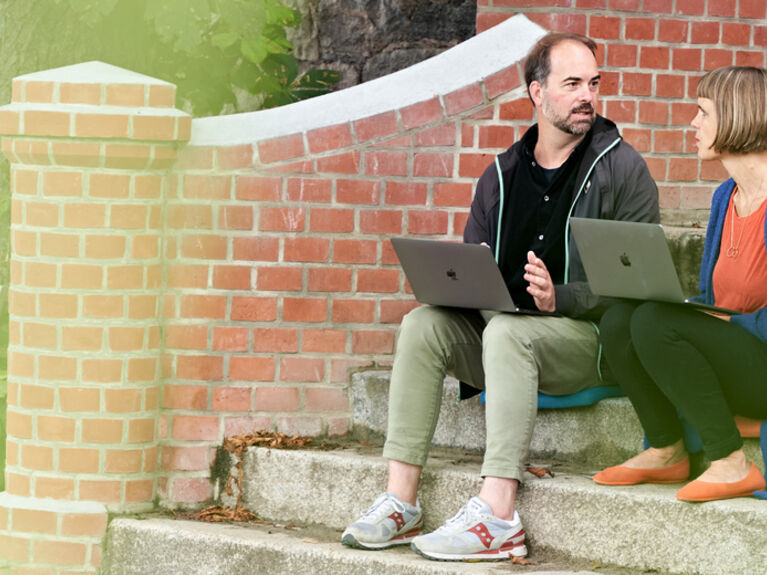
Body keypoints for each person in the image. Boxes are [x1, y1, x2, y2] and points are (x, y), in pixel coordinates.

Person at [341, 32, 659, 561]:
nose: (588, 96)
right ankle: (400, 503)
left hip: (587, 340)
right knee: (423, 323)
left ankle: (499, 513)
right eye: (572, 83)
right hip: (504, 335)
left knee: (510, 332)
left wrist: (564, 298)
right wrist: (459, 290)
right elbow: (474, 266)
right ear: (537, 92)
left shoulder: (621, 169)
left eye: (594, 84)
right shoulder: (501, 174)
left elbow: (640, 285)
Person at [593, 66, 767, 502]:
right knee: (620, 319)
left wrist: (714, 320)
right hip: (737, 354)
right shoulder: (725, 197)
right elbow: (715, 298)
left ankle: (730, 461)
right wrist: (696, 307)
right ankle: (666, 448)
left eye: (702, 112)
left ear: (736, 116)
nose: (692, 123)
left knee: (655, 320)